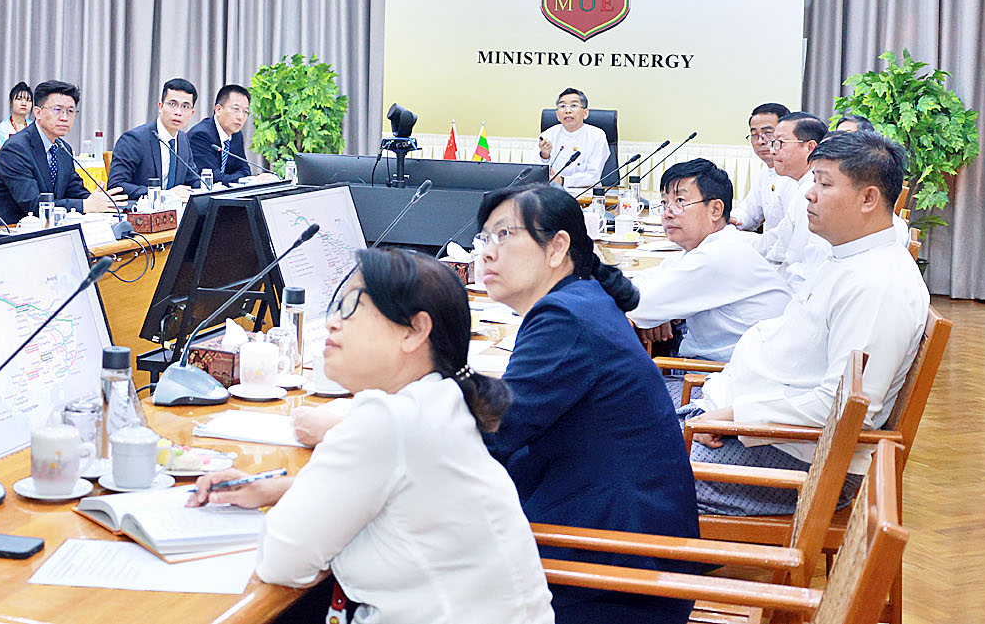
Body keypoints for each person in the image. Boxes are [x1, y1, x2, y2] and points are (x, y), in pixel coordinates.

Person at [188, 249, 554, 624]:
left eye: (352, 308)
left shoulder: (386, 421)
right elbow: (399, 491)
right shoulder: (440, 399)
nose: (332, 323)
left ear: (414, 331)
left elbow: (282, 562)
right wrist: (274, 490)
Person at [473, 183, 698, 624]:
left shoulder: (563, 318)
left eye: (504, 235)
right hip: (620, 549)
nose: (487, 253)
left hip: (612, 581)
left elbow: (492, 434)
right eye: (484, 238)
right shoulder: (581, 299)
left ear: (557, 248)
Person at [687, 130, 927, 516]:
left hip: (794, 455)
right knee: (616, 434)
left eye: (824, 184)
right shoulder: (846, 256)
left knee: (622, 473)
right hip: (752, 421)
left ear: (869, 198)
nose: (809, 195)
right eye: (813, 181)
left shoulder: (879, 285)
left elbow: (843, 408)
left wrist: (733, 417)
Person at [628, 159, 791, 365]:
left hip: (721, 375)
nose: (668, 213)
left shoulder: (718, 255)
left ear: (715, 210)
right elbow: (645, 281)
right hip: (723, 369)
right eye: (664, 203)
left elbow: (638, 305)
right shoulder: (708, 247)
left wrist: (654, 311)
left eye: (679, 201)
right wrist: (658, 312)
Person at [0, 80, 126, 224]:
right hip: (7, 230)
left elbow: (74, 191)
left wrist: (98, 201)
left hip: (47, 229)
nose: (64, 118)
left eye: (70, 111)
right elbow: (34, 205)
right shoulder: (16, 149)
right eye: (57, 110)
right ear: (37, 112)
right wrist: (85, 205)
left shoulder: (63, 149)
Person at [756, 112, 830, 294]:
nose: (773, 150)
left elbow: (793, 261)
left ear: (810, 147)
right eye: (774, 143)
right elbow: (775, 240)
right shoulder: (801, 186)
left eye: (780, 143)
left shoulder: (812, 194)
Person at [107, 78, 205, 200]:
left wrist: (212, 189)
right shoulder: (134, 139)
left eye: (185, 106)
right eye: (172, 104)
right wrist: (164, 194)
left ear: (192, 113)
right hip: (140, 209)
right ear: (160, 106)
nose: (178, 112)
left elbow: (192, 179)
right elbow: (116, 185)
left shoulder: (182, 139)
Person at [730, 102, 795, 232]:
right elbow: (749, 212)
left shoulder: (795, 174)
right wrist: (730, 220)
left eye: (768, 133)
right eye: (755, 135)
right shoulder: (766, 170)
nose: (760, 141)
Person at [537, 87, 610, 191]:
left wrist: (562, 180)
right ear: (557, 115)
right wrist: (545, 156)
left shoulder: (597, 135)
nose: (567, 111)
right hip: (553, 193)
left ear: (585, 113)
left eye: (574, 105)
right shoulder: (547, 135)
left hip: (586, 194)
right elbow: (535, 173)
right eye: (562, 106)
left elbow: (593, 176)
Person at [185, 83, 253, 184]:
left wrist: (241, 178)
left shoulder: (236, 135)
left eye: (245, 112)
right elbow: (212, 178)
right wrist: (242, 179)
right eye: (236, 109)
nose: (241, 117)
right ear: (218, 109)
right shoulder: (200, 135)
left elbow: (245, 170)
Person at [0, 81, 32, 150]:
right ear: (10, 102)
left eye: (28, 100)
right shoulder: (1, 129)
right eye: (19, 99)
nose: (24, 103)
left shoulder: (34, 127)